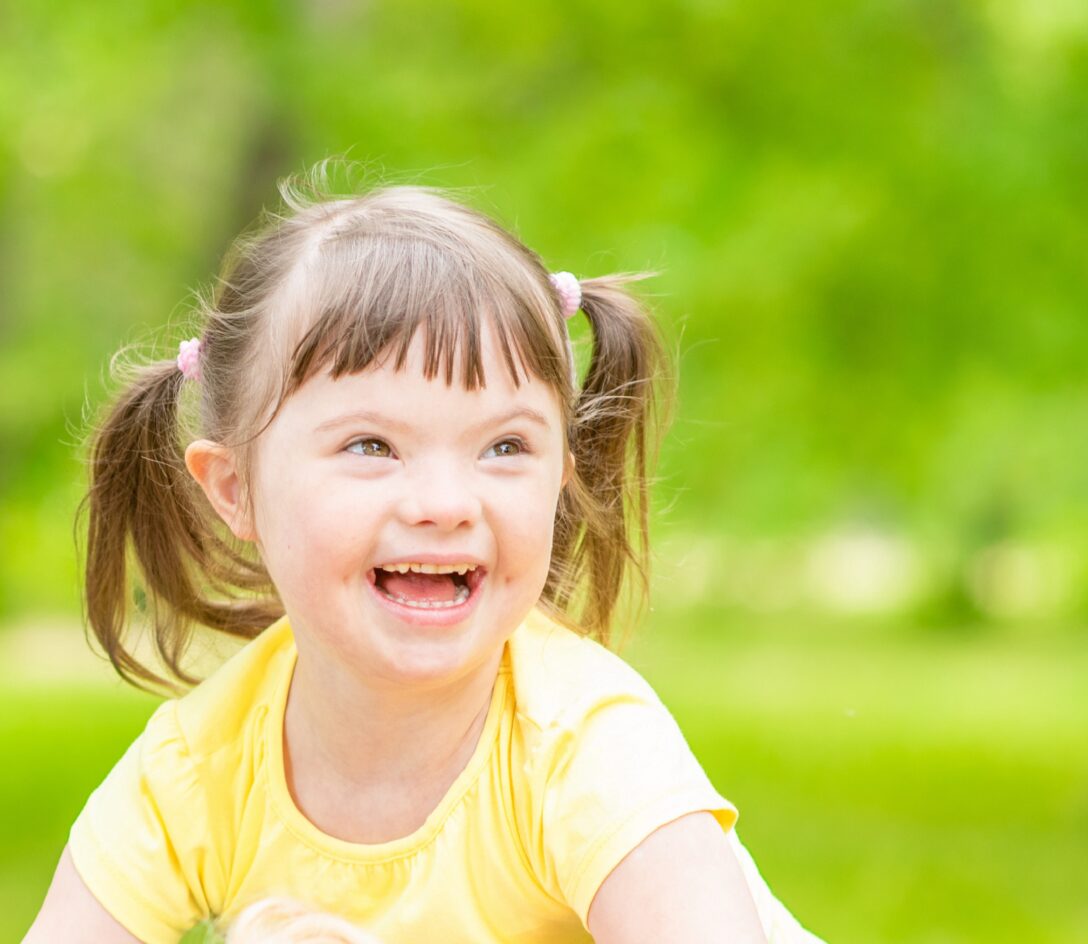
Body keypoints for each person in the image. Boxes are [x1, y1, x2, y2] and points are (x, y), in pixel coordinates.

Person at [24, 170, 824, 943]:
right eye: (372, 445)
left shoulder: (583, 750)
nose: (445, 503)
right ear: (236, 489)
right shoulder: (197, 773)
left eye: (505, 446)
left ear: (558, 480)